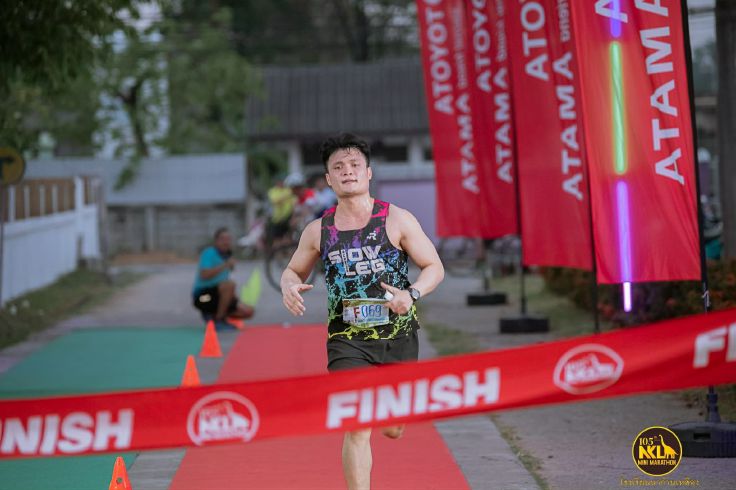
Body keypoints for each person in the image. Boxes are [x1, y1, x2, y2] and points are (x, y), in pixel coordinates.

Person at [280, 133, 444, 490]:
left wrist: (412, 293)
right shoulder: (318, 230)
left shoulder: (397, 219)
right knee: (357, 424)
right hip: (347, 338)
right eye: (338, 167)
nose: (347, 171)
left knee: (393, 428)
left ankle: (390, 412)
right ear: (328, 179)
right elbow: (293, 270)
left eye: (355, 165)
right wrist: (288, 286)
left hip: (398, 334)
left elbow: (434, 266)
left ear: (368, 173)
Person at [192, 227, 254, 327]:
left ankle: (214, 315)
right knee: (229, 285)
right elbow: (204, 275)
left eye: (228, 239)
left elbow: (225, 281)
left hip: (218, 296)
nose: (226, 242)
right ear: (216, 241)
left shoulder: (227, 255)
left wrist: (234, 299)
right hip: (203, 298)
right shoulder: (209, 253)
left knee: (249, 311)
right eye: (222, 239)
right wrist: (225, 265)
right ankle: (219, 320)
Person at [267, 176, 296, 247]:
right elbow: (275, 201)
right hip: (277, 218)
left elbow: (294, 202)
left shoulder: (288, 190)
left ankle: (288, 251)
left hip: (288, 216)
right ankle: (278, 252)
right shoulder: (273, 191)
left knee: (288, 237)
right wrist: (286, 196)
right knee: (277, 238)